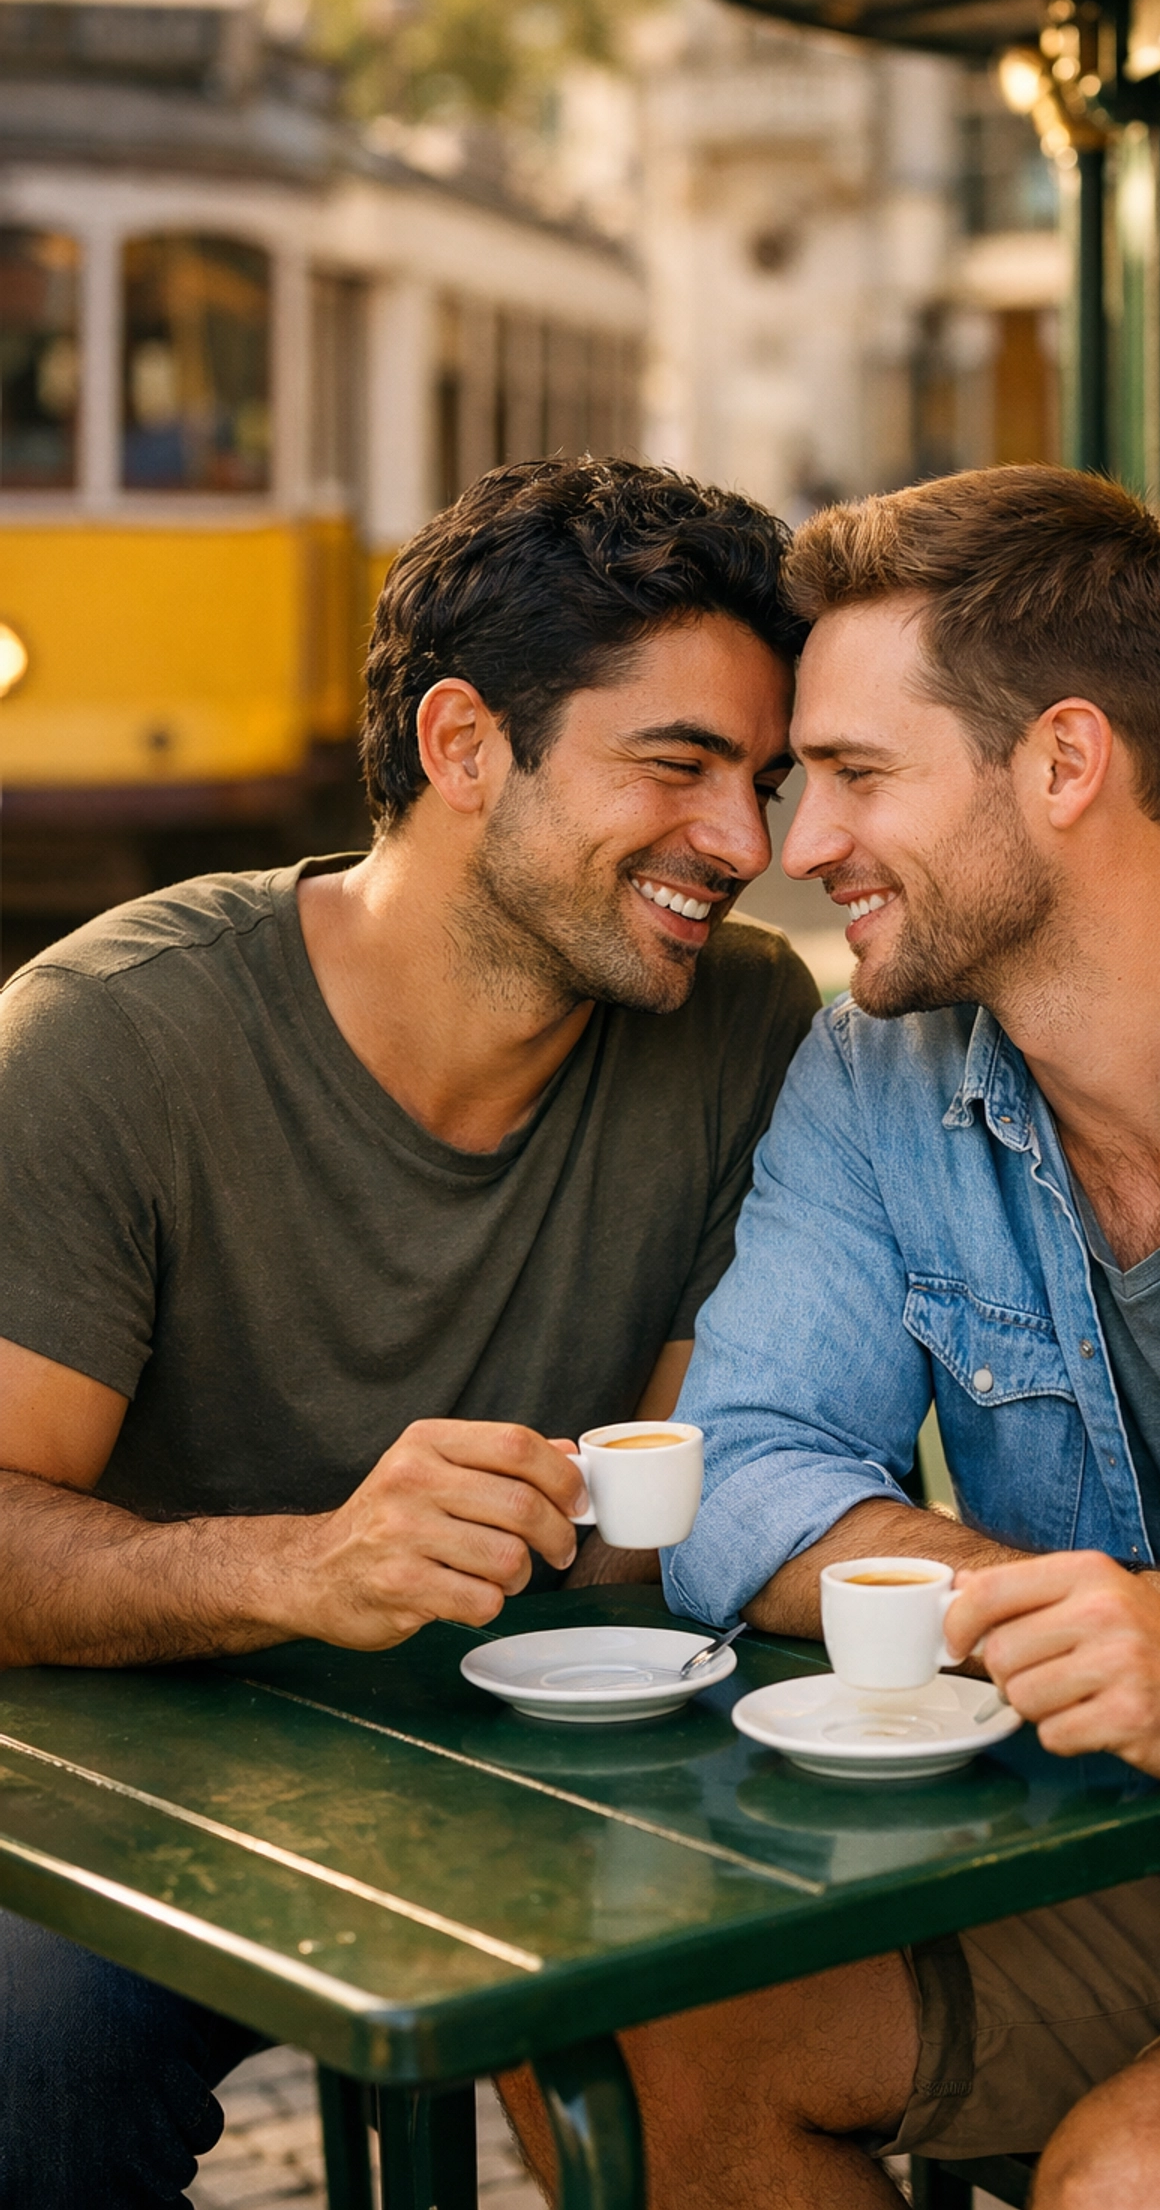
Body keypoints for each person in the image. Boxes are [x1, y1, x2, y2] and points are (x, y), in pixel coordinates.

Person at [498, 465, 1160, 2210]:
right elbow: (749, 1466)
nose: (795, 848)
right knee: (627, 2036)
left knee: (1137, 2179)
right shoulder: (878, 1071)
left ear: (1066, 763)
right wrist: (1033, 1612)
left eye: (853, 775)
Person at [0, 457, 818, 2206]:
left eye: (766, 781)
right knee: (24, 2057)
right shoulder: (109, 1038)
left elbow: (679, 1488)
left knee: (726, 2074)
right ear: (462, 747)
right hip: (140, 1768)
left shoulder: (742, 1018)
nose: (747, 847)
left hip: (549, 1748)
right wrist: (296, 1569)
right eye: (676, 766)